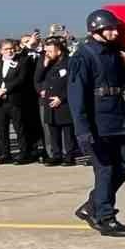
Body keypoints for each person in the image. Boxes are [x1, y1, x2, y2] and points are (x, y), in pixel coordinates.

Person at [67, 9, 125, 237]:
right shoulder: (83, 56)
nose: (115, 32)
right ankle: (105, 216)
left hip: (117, 119)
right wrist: (83, 130)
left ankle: (93, 204)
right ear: (96, 29)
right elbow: (77, 96)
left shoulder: (114, 54)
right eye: (110, 28)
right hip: (98, 124)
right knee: (105, 170)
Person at [0, 39, 38, 163]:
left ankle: (24, 154)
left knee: (19, 128)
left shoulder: (22, 61)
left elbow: (21, 79)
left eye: (11, 48)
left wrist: (5, 90)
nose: (10, 51)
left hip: (14, 100)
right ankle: (5, 154)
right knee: (2, 129)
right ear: (1, 51)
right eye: (6, 49)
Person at [34, 36, 76, 165]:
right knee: (53, 130)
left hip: (64, 102)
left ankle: (68, 155)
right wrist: (43, 66)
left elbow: (73, 83)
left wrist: (62, 97)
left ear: (59, 51)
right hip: (49, 102)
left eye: (50, 51)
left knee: (67, 131)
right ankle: (56, 155)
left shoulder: (69, 62)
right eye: (46, 51)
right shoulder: (46, 63)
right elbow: (37, 79)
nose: (47, 54)